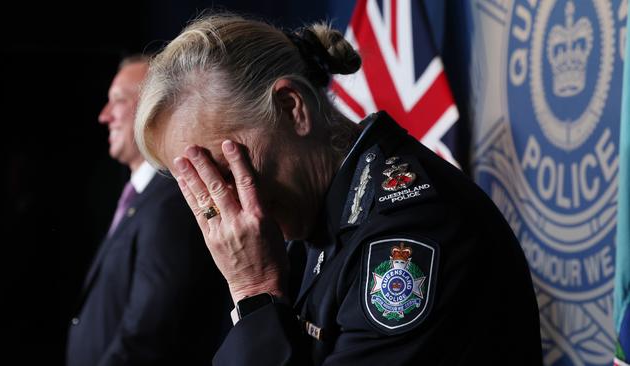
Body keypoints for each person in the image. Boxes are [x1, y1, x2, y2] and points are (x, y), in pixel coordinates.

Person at [134, 14, 543, 365]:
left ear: (292, 109)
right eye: (200, 185)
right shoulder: (314, 217)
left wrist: (254, 291)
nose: (226, 206)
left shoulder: (414, 234)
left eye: (225, 171)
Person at [66, 55, 231, 366]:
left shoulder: (168, 202)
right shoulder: (140, 198)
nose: (104, 116)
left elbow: (150, 329)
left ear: (152, 110)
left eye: (117, 101)